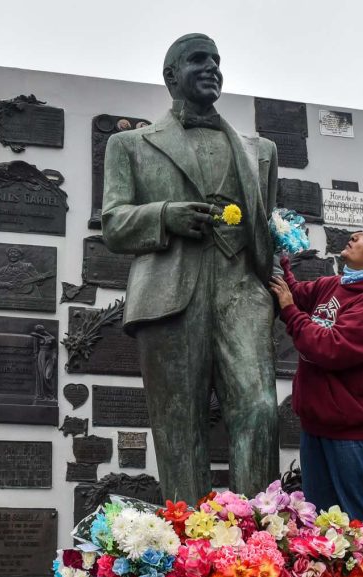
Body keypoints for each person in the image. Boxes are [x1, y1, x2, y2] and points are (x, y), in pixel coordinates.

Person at [102, 33, 279, 503]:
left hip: (241, 291)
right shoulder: (130, 145)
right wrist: (164, 215)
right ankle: (192, 554)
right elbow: (114, 224)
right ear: (171, 76)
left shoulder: (260, 151)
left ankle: (259, 545)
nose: (212, 67)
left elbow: (266, 230)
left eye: (217, 60)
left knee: (260, 410)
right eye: (199, 59)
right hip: (168, 295)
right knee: (179, 430)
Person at [269, 217, 363, 519]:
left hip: (353, 434)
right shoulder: (336, 285)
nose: (354, 236)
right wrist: (280, 249)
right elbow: (296, 294)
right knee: (321, 526)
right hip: (317, 426)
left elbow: (330, 348)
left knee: (360, 525)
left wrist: (289, 312)